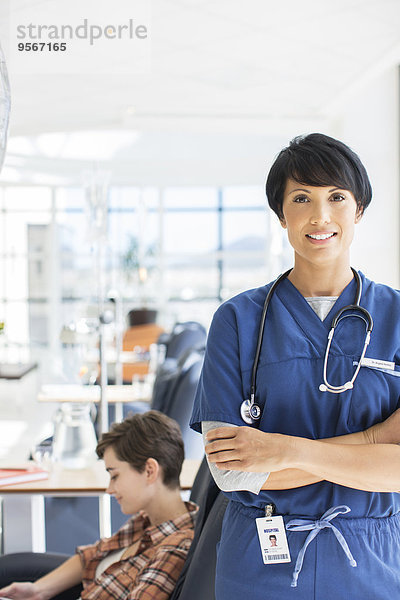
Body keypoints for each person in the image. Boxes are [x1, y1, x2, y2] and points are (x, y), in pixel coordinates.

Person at [190, 133, 400, 599]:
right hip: (261, 567)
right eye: (301, 197)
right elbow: (233, 473)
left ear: (359, 210)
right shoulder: (238, 320)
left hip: (372, 566)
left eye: (337, 197)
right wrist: (372, 442)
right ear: (282, 214)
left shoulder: (397, 316)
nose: (320, 215)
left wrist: (286, 452)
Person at [0, 411, 198, 600]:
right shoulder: (148, 521)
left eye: (115, 475)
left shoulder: (173, 549)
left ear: (149, 471)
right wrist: (38, 591)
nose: (109, 489)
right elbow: (94, 554)